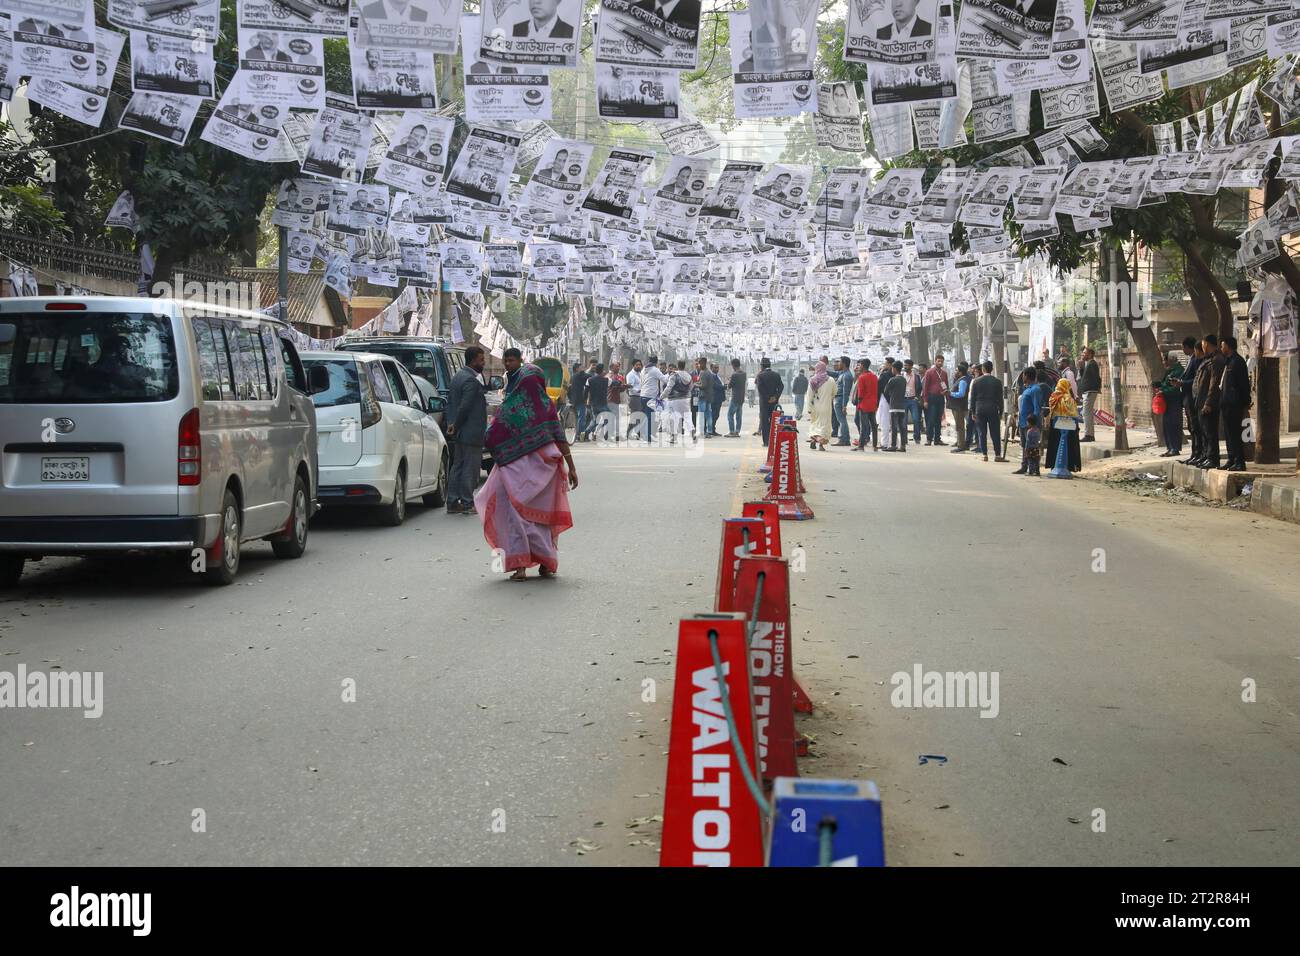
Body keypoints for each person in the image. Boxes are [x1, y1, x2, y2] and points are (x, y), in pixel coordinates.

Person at [477, 351, 577, 581]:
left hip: (513, 474)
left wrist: (504, 453)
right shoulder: (548, 407)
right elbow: (560, 438)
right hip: (547, 473)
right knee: (543, 518)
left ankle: (520, 567)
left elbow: (491, 437)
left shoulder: (509, 407)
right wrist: (571, 467)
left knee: (515, 518)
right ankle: (546, 564)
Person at [446, 345, 489, 515]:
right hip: (470, 432)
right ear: (473, 361)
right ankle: (466, 502)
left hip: (460, 432)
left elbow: (450, 404)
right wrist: (455, 424)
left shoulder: (457, 377)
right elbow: (464, 407)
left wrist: (452, 424)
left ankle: (452, 501)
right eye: (481, 360)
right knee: (470, 469)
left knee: (458, 466)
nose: (483, 363)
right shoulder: (471, 380)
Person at [1218, 336, 1251, 472]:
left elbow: (1244, 384)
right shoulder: (1228, 362)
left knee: (1235, 434)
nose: (1221, 348)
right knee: (1228, 434)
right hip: (1226, 403)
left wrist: (1245, 402)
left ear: (1228, 346)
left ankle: (1239, 461)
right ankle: (1231, 459)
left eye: (1222, 345)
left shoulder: (1238, 362)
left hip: (1234, 404)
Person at [1196, 334, 1226, 469]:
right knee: (1204, 431)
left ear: (1207, 344)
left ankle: (1213, 458)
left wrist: (1208, 402)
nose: (1202, 347)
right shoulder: (1209, 360)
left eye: (1203, 344)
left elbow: (1214, 384)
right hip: (1202, 401)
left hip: (1210, 403)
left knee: (1210, 432)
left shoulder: (1216, 360)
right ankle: (1207, 456)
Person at [969, 360, 1007, 462]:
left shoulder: (976, 381)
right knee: (995, 432)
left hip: (980, 409)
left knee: (982, 432)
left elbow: (973, 398)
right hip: (993, 409)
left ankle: (984, 454)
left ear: (983, 369)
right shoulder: (997, 382)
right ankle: (997, 455)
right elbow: (1000, 398)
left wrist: (973, 412)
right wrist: (1001, 411)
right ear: (992, 369)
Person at [1045, 377, 1082, 473]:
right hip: (1069, 427)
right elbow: (1074, 413)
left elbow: (1051, 410)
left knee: (1055, 445)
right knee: (1069, 446)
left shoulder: (1053, 397)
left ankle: (1054, 465)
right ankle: (1069, 466)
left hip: (1056, 426)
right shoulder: (1069, 399)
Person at [1178, 337, 1204, 465]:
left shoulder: (1198, 361)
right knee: (1192, 427)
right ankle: (1195, 454)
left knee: (1196, 427)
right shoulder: (1191, 359)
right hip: (1188, 397)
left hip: (1193, 397)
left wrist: (1182, 383)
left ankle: (1199, 453)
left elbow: (1196, 379)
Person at [1013, 370, 1044, 474]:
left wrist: (1033, 424)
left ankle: (1034, 468)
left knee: (1032, 448)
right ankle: (1024, 466)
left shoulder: (1035, 389)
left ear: (1027, 376)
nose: (1022, 378)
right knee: (1025, 446)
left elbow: (1036, 408)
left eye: (1024, 376)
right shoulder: (1027, 389)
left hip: (1030, 424)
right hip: (1023, 422)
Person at [1155, 352, 1185, 458]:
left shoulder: (1179, 371)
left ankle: (1175, 448)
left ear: (1171, 359)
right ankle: (1170, 447)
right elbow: (1164, 383)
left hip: (1174, 402)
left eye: (1165, 359)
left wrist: (1164, 391)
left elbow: (1176, 388)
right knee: (1167, 425)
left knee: (1174, 425)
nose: (1164, 362)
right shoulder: (1169, 371)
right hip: (1167, 402)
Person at [663, 360, 695, 444]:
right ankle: (693, 434)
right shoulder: (688, 375)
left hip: (674, 399)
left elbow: (668, 388)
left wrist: (661, 396)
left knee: (674, 419)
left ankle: (673, 438)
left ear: (678, 365)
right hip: (686, 399)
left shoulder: (674, 375)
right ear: (684, 366)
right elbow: (691, 387)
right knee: (688, 417)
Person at [850, 358, 878, 451]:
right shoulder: (874, 376)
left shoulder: (862, 377)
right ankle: (875, 445)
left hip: (864, 404)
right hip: (873, 403)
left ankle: (861, 446)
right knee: (873, 425)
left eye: (860, 365)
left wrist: (858, 404)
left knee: (863, 426)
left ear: (862, 365)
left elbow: (860, 393)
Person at [806, 359, 835, 450]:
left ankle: (814, 440)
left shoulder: (813, 380)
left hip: (816, 407)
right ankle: (821, 444)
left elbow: (809, 396)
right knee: (824, 426)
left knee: (815, 425)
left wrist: (809, 408)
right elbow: (834, 392)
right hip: (827, 407)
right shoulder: (831, 380)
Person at [756, 357, 784, 446]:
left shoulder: (760, 375)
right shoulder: (776, 375)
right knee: (774, 420)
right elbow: (781, 387)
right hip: (774, 403)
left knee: (764, 421)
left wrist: (768, 398)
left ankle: (766, 442)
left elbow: (760, 388)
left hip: (764, 402)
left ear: (762, 366)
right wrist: (775, 397)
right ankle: (774, 440)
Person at [922, 353, 949, 445]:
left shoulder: (944, 373)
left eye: (942, 361)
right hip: (931, 397)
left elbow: (946, 386)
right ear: (935, 361)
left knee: (939, 419)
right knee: (931, 418)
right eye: (939, 361)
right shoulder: (929, 372)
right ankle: (929, 439)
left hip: (941, 398)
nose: (940, 363)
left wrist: (947, 397)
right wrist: (925, 400)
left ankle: (937, 439)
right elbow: (925, 387)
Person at [639, 356, 667, 443]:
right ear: (656, 362)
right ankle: (647, 437)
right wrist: (671, 374)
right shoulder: (655, 369)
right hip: (650, 396)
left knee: (646, 416)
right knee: (650, 417)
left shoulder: (644, 370)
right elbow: (665, 379)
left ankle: (646, 435)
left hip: (642, 395)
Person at [884, 361, 909, 451]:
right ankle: (903, 446)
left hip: (894, 405)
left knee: (894, 426)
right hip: (902, 406)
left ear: (894, 369)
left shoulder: (892, 380)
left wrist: (891, 394)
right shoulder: (903, 380)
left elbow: (886, 391)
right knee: (902, 427)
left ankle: (893, 445)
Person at [1078, 347, 1102, 441]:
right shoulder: (1088, 364)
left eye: (1085, 353)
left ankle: (1088, 435)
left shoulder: (1092, 364)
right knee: (1088, 413)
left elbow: (1097, 378)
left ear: (1090, 354)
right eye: (1083, 353)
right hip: (1088, 391)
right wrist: (1081, 368)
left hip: (1090, 392)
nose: (1083, 354)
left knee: (1086, 413)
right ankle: (1090, 435)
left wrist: (1096, 388)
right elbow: (1085, 377)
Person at [583, 363, 610, 442]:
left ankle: (586, 433)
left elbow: (585, 392)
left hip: (593, 403)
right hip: (603, 403)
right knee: (607, 418)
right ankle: (602, 434)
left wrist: (585, 401)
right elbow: (614, 383)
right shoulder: (606, 380)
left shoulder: (589, 380)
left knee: (595, 420)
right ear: (602, 371)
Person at [948, 362, 970, 452]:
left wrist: (950, 393)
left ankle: (961, 446)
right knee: (958, 426)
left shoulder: (962, 381)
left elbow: (961, 394)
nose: (955, 372)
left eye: (956, 370)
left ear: (960, 372)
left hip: (959, 407)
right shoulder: (959, 380)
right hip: (956, 406)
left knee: (960, 426)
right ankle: (959, 443)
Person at [833, 356, 854, 447]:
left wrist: (844, 405)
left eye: (840, 362)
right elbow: (833, 373)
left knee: (842, 420)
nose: (838, 364)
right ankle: (846, 439)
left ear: (844, 364)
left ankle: (842, 439)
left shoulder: (847, 375)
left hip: (840, 399)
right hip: (838, 398)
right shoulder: (842, 374)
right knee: (841, 420)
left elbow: (846, 392)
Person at [902, 358, 923, 445]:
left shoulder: (916, 376)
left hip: (913, 400)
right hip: (904, 400)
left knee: (916, 419)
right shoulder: (902, 375)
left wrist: (917, 397)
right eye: (904, 365)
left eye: (906, 365)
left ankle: (917, 437)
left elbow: (920, 387)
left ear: (911, 366)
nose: (905, 367)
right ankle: (904, 439)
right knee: (904, 420)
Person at [876, 359, 895, 450]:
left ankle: (885, 443)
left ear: (890, 365)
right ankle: (894, 443)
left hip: (884, 400)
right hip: (894, 401)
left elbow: (879, 388)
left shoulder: (884, 375)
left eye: (886, 363)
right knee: (893, 423)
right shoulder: (897, 375)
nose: (884, 365)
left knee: (884, 423)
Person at [725, 359, 746, 437]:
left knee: (730, 414)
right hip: (741, 398)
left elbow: (729, 386)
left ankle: (731, 431)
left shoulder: (734, 375)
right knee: (739, 415)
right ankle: (737, 431)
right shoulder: (744, 374)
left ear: (733, 365)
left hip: (735, 397)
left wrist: (729, 381)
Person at [607, 361, 626, 443]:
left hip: (616, 399)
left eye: (619, 366)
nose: (618, 368)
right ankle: (611, 435)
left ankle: (616, 434)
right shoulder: (609, 376)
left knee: (617, 418)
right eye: (616, 366)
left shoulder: (619, 376)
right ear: (611, 368)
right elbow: (612, 386)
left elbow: (620, 389)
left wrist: (623, 387)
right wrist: (621, 385)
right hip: (611, 399)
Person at [626, 358, 643, 440]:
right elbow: (630, 387)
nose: (639, 366)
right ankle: (628, 433)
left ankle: (638, 433)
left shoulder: (640, 374)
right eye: (637, 365)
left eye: (639, 364)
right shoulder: (630, 375)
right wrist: (638, 391)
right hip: (634, 397)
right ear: (633, 365)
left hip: (640, 397)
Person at [709, 363, 725, 436]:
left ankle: (712, 429)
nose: (717, 369)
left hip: (718, 399)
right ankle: (711, 429)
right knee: (714, 414)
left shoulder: (717, 376)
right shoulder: (711, 376)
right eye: (715, 368)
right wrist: (724, 387)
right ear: (711, 368)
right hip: (714, 399)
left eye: (717, 367)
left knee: (716, 415)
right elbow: (715, 386)